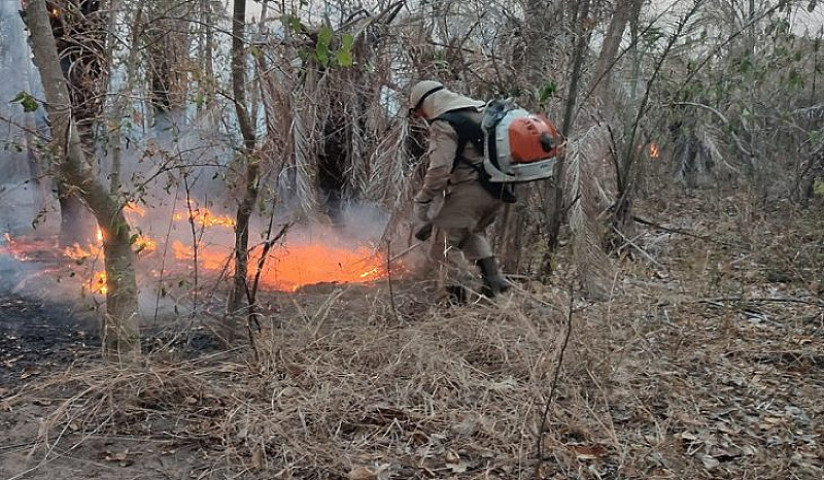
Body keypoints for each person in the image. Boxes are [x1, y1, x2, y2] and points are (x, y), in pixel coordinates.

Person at [408, 80, 510, 299]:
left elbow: (440, 169)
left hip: (471, 190)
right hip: (498, 189)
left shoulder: (445, 123)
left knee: (442, 245)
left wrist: (424, 198)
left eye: (419, 112)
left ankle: (456, 298)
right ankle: (494, 283)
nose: (422, 118)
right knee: (470, 233)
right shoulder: (480, 112)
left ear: (427, 103)